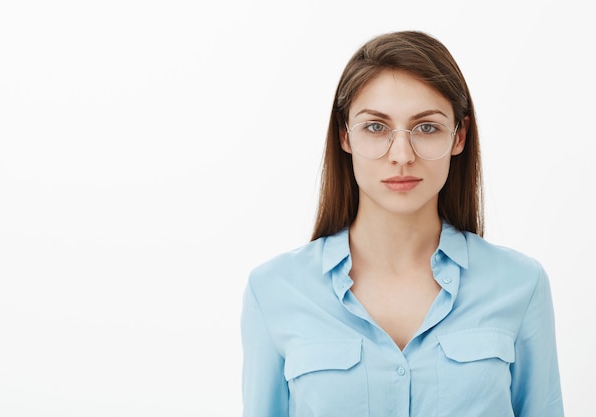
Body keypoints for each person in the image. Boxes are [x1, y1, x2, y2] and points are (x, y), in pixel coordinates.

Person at [240, 30, 564, 417]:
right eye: (376, 127)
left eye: (426, 127)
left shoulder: (520, 284)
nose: (401, 155)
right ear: (345, 136)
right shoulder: (273, 290)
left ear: (458, 136)